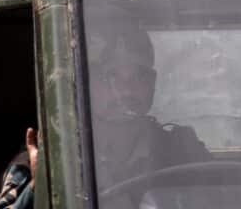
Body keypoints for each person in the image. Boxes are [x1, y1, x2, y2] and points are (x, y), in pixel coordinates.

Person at [87, 24, 210, 193]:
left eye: (138, 76)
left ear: (152, 83)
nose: (126, 90)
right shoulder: (68, 154)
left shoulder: (182, 151)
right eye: (111, 77)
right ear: (88, 83)